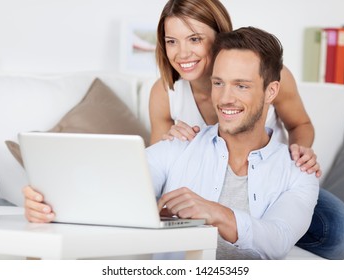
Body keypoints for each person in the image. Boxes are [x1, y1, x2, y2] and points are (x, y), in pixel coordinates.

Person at [24, 26, 319, 259]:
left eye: (241, 85)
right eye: (218, 83)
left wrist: (216, 212)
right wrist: (48, 206)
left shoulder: (298, 171)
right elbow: (111, 189)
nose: (225, 98)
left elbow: (278, 239)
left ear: (271, 92)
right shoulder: (178, 147)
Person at [148, 0, 344, 259]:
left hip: (268, 178)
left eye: (194, 39)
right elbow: (151, 171)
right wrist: (170, 140)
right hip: (203, 184)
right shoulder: (166, 92)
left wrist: (299, 154)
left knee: (341, 232)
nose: (182, 53)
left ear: (219, 37)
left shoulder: (269, 73)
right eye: (172, 41)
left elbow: (300, 124)